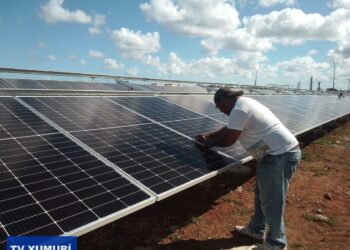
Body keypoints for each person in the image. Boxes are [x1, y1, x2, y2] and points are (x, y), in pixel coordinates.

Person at [195, 88, 301, 250]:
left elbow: (229, 139)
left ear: (224, 99)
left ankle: (276, 244)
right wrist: (210, 136)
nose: (220, 110)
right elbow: (229, 128)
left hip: (279, 156)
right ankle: (256, 229)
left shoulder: (239, 109)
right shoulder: (244, 104)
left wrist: (212, 143)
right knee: (262, 195)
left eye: (219, 105)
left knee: (272, 201)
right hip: (274, 154)